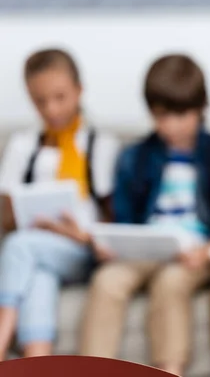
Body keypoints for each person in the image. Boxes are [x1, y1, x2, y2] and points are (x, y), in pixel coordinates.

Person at [79, 54, 210, 376]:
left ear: (201, 109)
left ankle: (170, 370)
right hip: (144, 249)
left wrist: (209, 250)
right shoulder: (134, 158)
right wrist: (111, 245)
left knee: (171, 284)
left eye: (181, 115)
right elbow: (125, 223)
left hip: (193, 254)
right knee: (106, 281)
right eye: (161, 116)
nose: (170, 126)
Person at [0, 48, 120, 359]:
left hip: (81, 250)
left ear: (79, 91)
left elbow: (115, 219)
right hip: (39, 250)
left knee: (19, 246)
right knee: (39, 276)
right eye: (40, 101)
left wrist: (77, 233)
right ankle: (36, 361)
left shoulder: (101, 145)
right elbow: (6, 218)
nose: (51, 109)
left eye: (60, 97)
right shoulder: (22, 146)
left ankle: (2, 331)